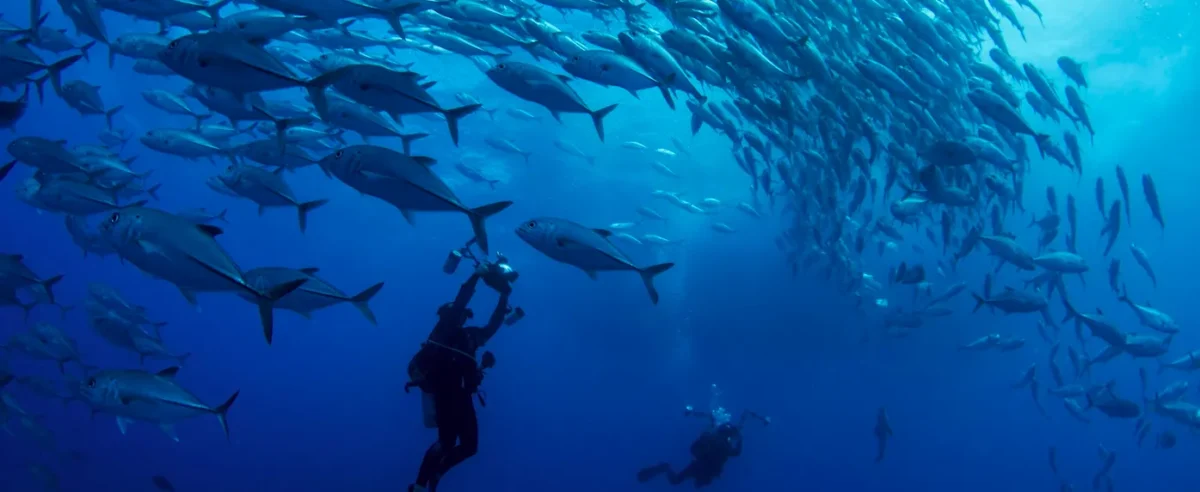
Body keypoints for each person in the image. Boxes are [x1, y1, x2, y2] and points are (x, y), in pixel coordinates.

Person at [406, 261, 514, 492]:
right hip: (444, 392)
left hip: (463, 395)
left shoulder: (470, 336)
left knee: (469, 447)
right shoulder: (442, 331)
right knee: (446, 442)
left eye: (463, 315)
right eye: (455, 313)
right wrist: (475, 276)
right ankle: (419, 485)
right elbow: (462, 299)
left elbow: (493, 325)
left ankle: (434, 476)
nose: (460, 316)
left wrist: (504, 297)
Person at [636, 407, 769, 488]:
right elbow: (737, 452)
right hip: (704, 468)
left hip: (699, 466)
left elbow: (694, 448)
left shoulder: (713, 438)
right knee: (679, 481)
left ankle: (665, 467)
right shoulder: (726, 446)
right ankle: (665, 468)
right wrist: (740, 440)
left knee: (676, 481)